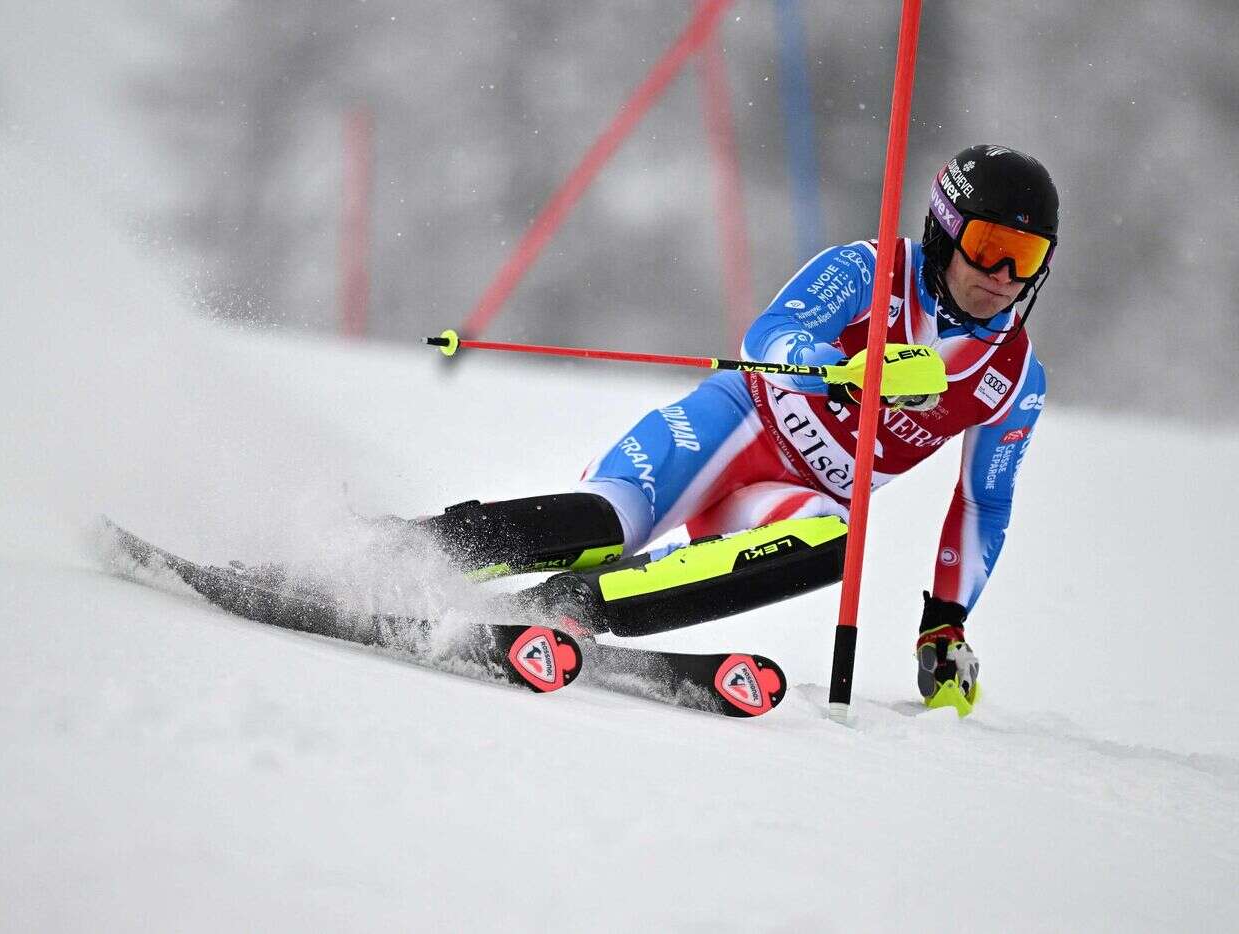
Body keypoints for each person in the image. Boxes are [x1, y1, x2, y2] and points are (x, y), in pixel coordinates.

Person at [416, 144, 1058, 716]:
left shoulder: (1016, 376)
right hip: (729, 429)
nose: (1003, 276)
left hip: (785, 497)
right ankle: (409, 552)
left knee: (835, 540)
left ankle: (572, 608)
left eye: (1025, 258)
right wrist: (847, 371)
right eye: (989, 246)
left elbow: (983, 502)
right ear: (947, 232)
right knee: (605, 524)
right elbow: (770, 336)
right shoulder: (870, 269)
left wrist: (945, 625)